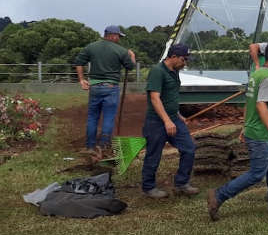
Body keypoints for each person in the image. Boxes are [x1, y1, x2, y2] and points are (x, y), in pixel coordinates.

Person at [208, 39, 268, 220]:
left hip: (255, 128)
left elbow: (249, 103)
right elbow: (260, 105)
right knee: (257, 173)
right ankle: (218, 196)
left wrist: (244, 125)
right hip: (260, 134)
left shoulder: (257, 74)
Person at [141, 43, 198, 199]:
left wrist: (177, 114)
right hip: (156, 121)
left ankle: (181, 183)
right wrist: (166, 121)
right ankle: (148, 187)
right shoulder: (157, 72)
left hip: (173, 119)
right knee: (154, 155)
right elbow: (155, 97)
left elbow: (170, 96)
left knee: (189, 148)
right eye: (184, 59)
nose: (185, 63)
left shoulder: (175, 71)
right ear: (173, 57)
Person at [73, 25, 136, 154]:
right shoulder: (121, 50)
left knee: (92, 117)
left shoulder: (91, 47)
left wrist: (81, 79)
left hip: (95, 87)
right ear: (112, 35)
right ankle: (103, 147)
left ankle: (90, 147)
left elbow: (78, 62)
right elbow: (130, 67)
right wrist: (132, 56)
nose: (119, 38)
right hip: (111, 87)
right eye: (118, 36)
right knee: (108, 117)